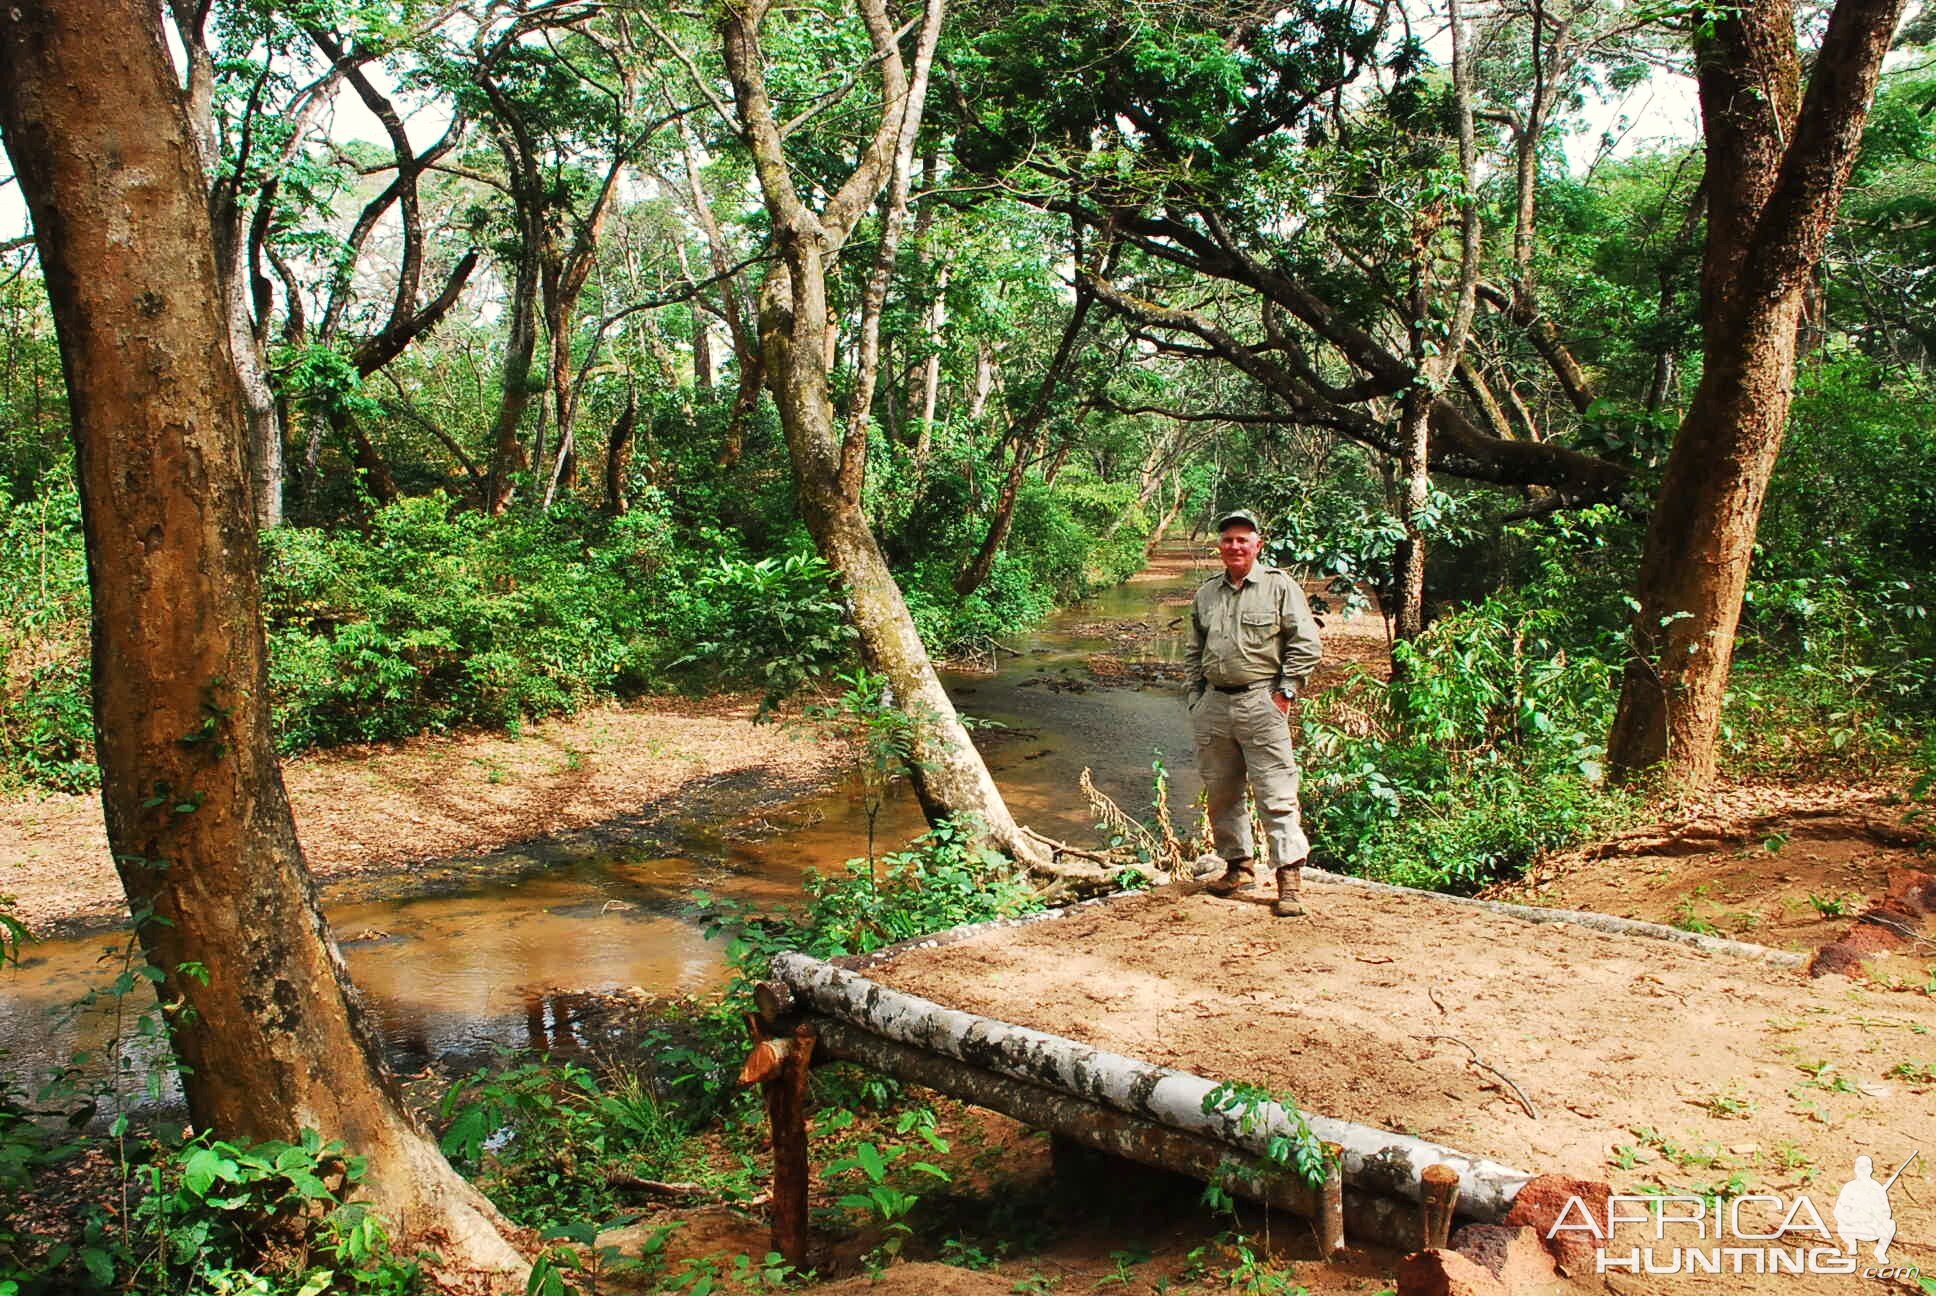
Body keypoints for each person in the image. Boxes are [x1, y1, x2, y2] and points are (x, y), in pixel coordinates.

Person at [1185, 509, 1322, 916]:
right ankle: (1238, 866)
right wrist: (1196, 695)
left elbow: (1306, 642)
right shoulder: (1206, 593)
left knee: (1276, 791)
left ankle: (1289, 881)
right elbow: (1194, 650)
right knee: (1222, 790)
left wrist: (1286, 692)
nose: (1235, 546)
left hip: (1262, 701)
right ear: (1220, 547)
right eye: (1228, 540)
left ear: (1258, 544)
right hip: (1214, 703)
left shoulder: (1279, 587)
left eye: (1243, 539)